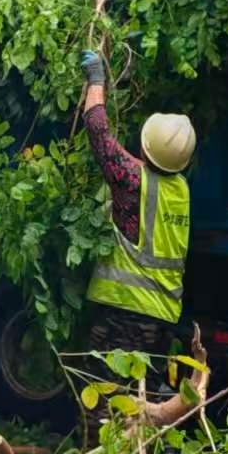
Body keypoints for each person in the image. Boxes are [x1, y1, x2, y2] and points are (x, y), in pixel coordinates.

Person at [76, 49, 196, 378]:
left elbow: (98, 132)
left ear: (145, 147)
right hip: (163, 317)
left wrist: (96, 79)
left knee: (103, 399)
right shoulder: (181, 189)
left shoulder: (134, 182)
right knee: (141, 403)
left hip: (126, 313)